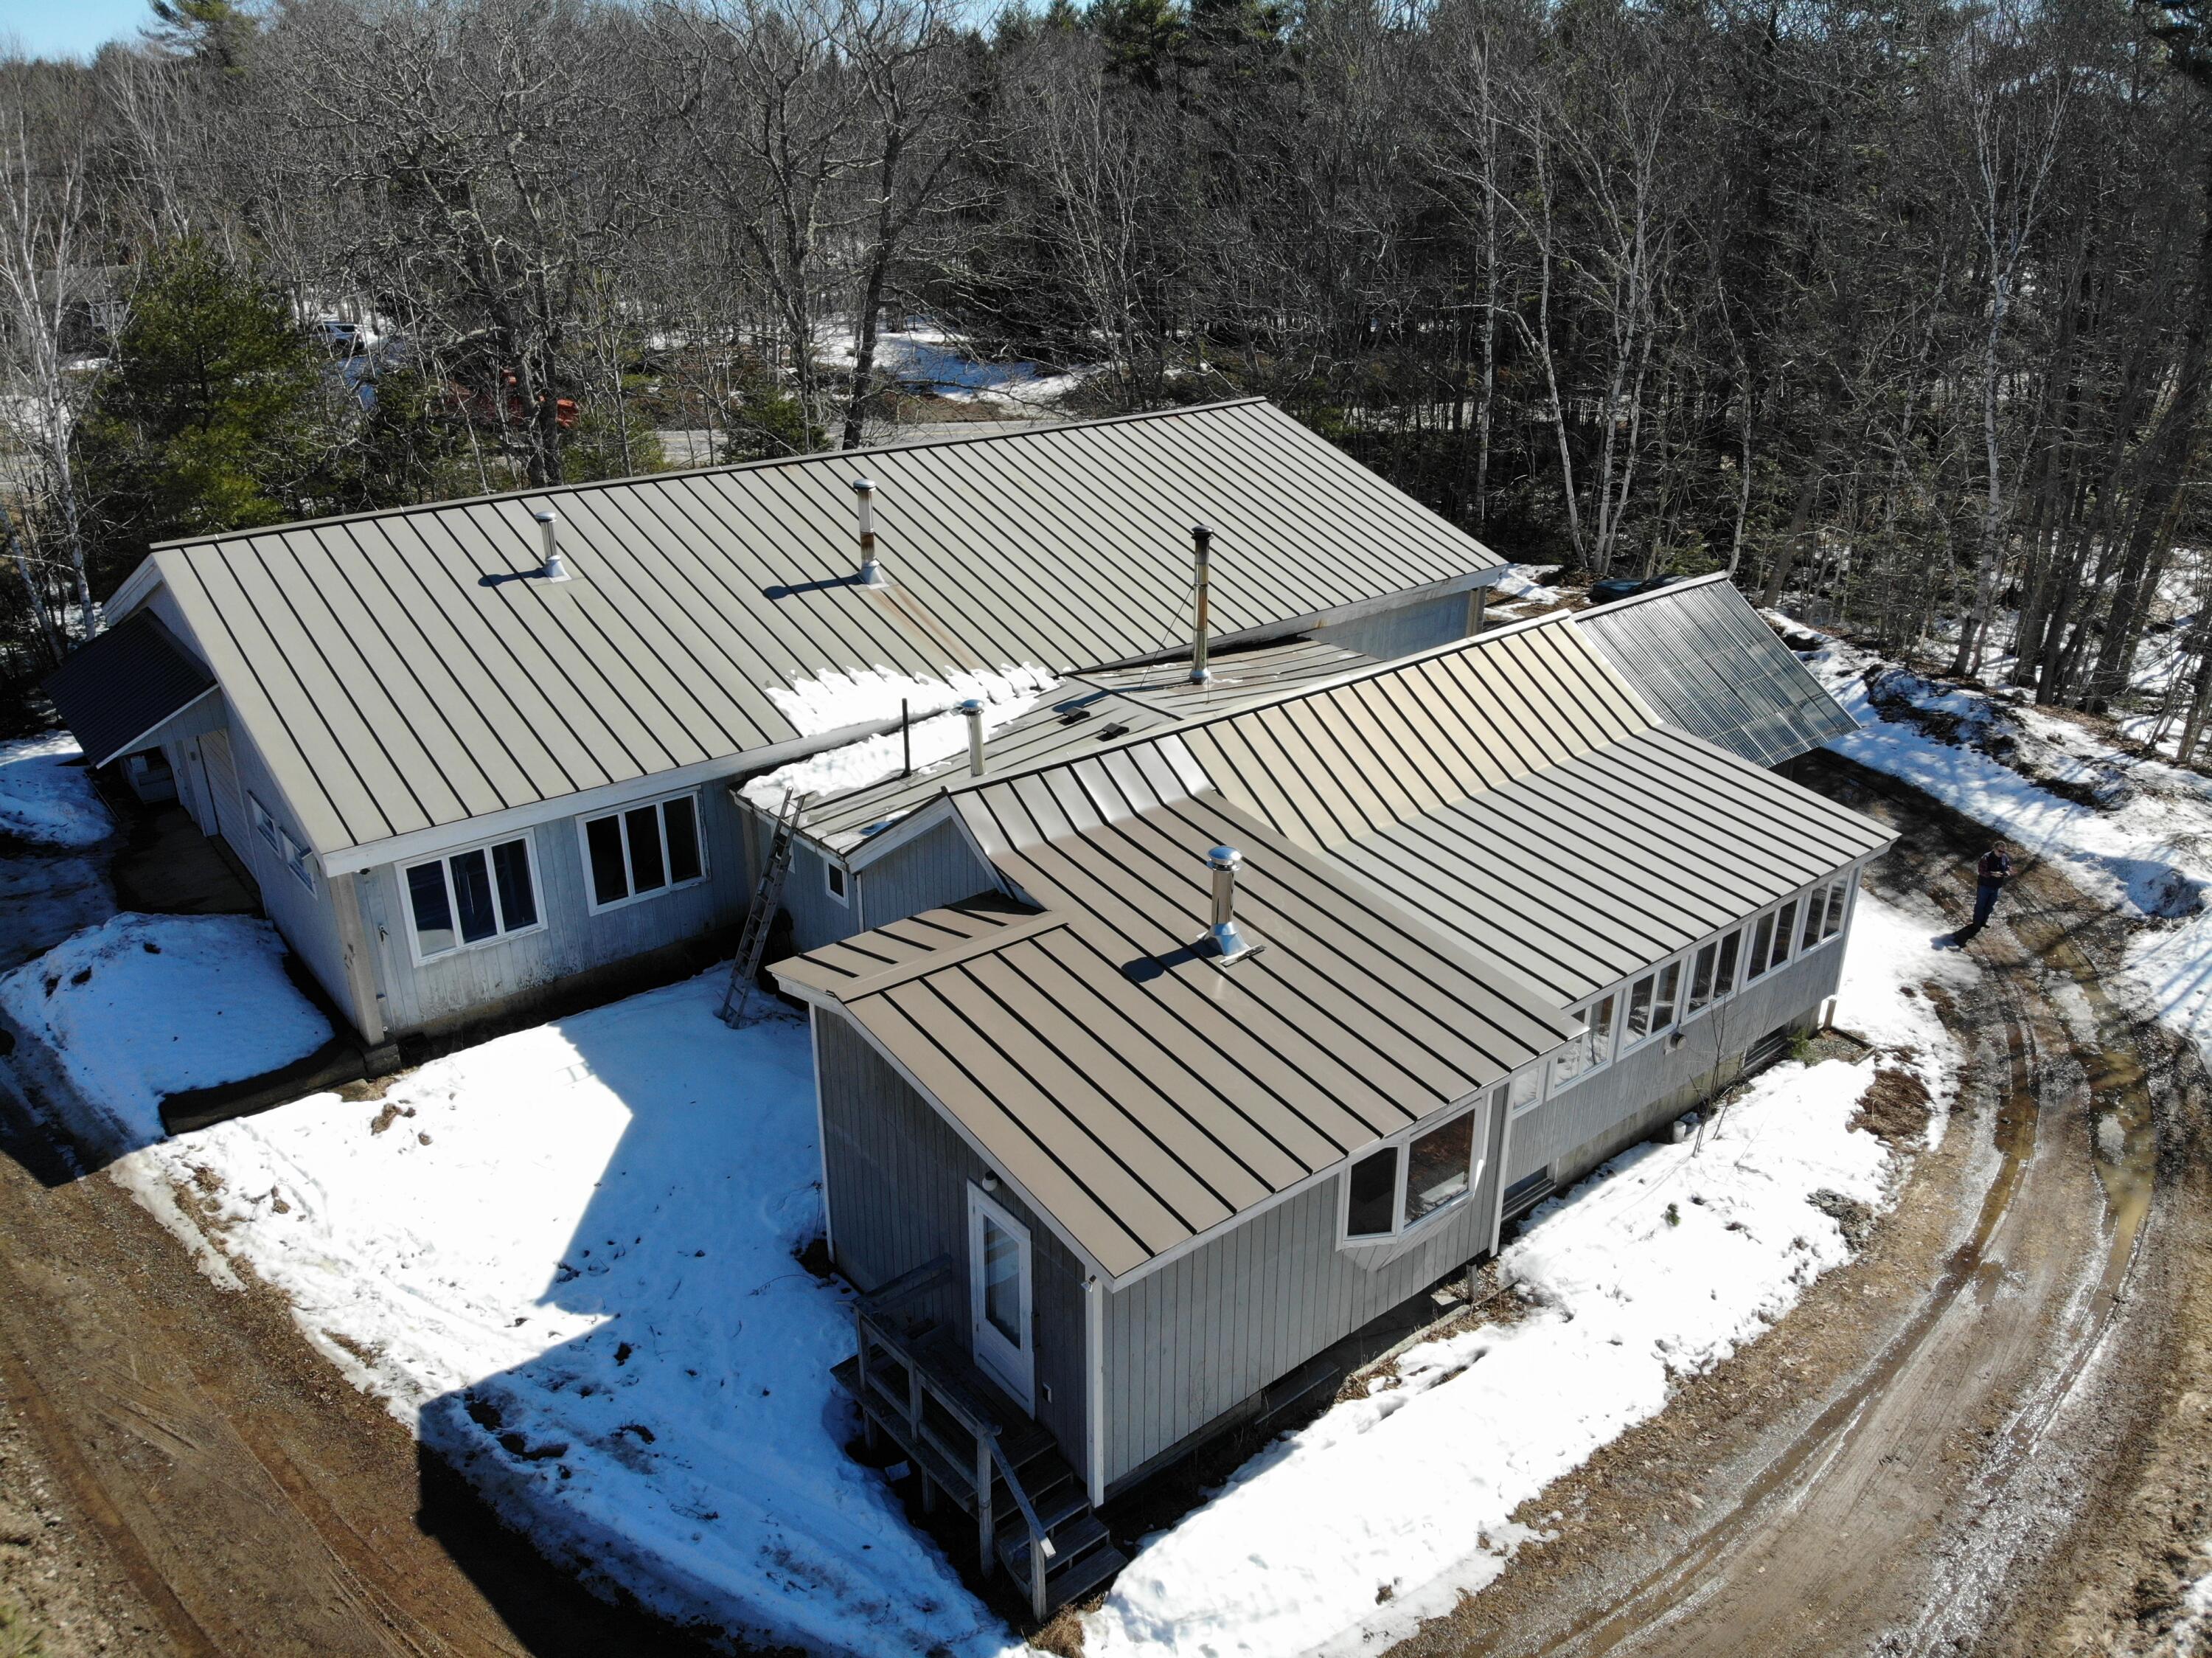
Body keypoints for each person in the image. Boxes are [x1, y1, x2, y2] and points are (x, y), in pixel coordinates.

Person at [1972, 846, 2014, 931]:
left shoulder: (2004, 857)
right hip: (1985, 886)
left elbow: (2008, 865)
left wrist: (2007, 871)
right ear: (1994, 849)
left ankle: (1984, 921)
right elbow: (1981, 871)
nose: (2002, 853)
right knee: (1981, 905)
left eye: (2003, 852)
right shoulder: (1986, 857)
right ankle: (1976, 923)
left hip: (1997, 886)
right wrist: (1992, 874)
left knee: (1990, 906)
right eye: (2000, 851)